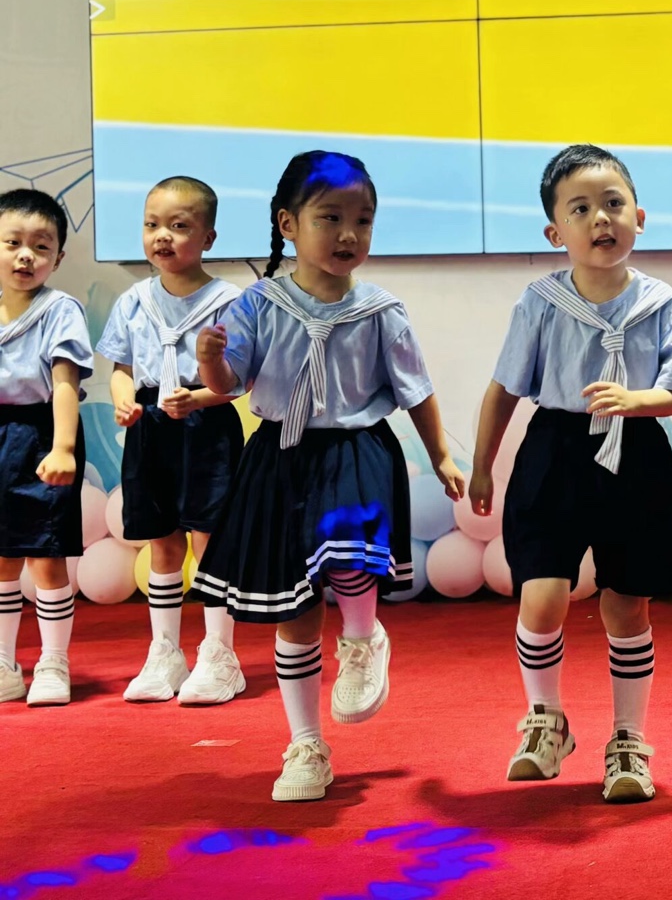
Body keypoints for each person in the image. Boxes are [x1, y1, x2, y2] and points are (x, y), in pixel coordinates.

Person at [193, 151, 464, 801]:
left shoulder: (381, 310)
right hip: (281, 455)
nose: (349, 234)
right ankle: (306, 745)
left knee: (346, 553)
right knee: (294, 609)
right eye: (330, 218)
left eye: (362, 220)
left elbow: (416, 390)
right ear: (288, 224)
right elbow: (230, 384)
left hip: (355, 449)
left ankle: (364, 637)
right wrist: (209, 362)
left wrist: (441, 456)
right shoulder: (259, 304)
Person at [469, 144, 672, 804]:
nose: (601, 218)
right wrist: (482, 466)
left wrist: (637, 400)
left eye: (613, 203)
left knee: (626, 603)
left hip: (636, 451)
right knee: (541, 596)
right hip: (555, 452)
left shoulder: (661, 302)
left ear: (639, 218)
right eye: (580, 209)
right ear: (555, 233)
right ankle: (545, 721)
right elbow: (503, 388)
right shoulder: (540, 302)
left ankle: (628, 740)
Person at [96, 176, 246, 705]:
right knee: (161, 539)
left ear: (208, 238)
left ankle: (219, 654)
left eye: (179, 226)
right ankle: (165, 652)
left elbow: (241, 379)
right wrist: (124, 401)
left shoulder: (230, 301)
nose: (163, 236)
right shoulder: (134, 301)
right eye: (152, 224)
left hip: (207, 426)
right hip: (151, 425)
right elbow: (120, 369)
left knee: (208, 538)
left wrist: (199, 399)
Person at [0, 188, 92, 707]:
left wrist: (63, 449)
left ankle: (53, 662)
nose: (25, 255)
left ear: (57, 257)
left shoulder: (60, 310)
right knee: (2, 557)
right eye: (12, 242)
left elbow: (64, 385)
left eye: (40, 246)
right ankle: (5, 663)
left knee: (46, 555)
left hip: (41, 435)